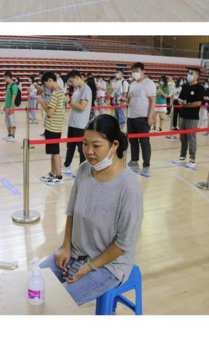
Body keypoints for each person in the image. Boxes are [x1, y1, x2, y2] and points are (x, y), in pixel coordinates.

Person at [39, 115, 143, 306]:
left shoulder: (128, 187)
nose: (88, 151)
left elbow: (123, 244)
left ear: (114, 145)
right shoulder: (84, 169)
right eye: (85, 143)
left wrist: (89, 267)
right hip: (76, 252)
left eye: (96, 145)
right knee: (34, 283)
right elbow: (71, 212)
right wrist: (65, 247)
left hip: (109, 265)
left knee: (57, 304)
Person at [127, 62, 156, 176]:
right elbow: (131, 98)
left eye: (137, 71)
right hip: (131, 116)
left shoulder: (149, 83)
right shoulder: (133, 84)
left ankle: (146, 165)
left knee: (144, 142)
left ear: (143, 71)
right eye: (133, 71)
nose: (135, 73)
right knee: (133, 141)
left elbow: (152, 101)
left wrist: (150, 117)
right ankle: (134, 160)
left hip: (143, 117)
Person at [40, 71, 67, 186]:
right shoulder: (59, 92)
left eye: (46, 84)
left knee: (55, 153)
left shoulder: (56, 93)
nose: (46, 87)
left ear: (50, 80)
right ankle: (52, 173)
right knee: (53, 152)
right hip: (54, 126)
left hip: (53, 127)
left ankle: (59, 176)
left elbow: (50, 112)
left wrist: (42, 102)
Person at [174, 67, 205, 167]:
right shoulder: (185, 86)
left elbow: (198, 103)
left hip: (192, 117)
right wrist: (181, 102)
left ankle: (192, 159)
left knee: (191, 138)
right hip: (183, 115)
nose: (189, 75)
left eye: (192, 73)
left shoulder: (199, 88)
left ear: (197, 76)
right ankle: (182, 155)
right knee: (183, 138)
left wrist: (187, 105)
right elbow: (180, 98)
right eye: (189, 73)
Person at [65, 71, 92, 172]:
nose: (71, 84)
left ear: (77, 78)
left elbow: (82, 107)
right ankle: (67, 165)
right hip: (72, 122)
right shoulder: (77, 90)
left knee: (81, 149)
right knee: (70, 146)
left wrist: (69, 101)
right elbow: (74, 105)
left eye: (71, 81)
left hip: (80, 124)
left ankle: (82, 168)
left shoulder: (86, 90)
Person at [2, 71, 19, 143]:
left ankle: (13, 136)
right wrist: (5, 106)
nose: (4, 79)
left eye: (4, 77)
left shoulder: (14, 86)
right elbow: (7, 97)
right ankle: (9, 135)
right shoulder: (8, 85)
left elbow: (13, 98)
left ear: (8, 77)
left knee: (12, 122)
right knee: (7, 122)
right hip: (7, 106)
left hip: (11, 107)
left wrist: (11, 108)